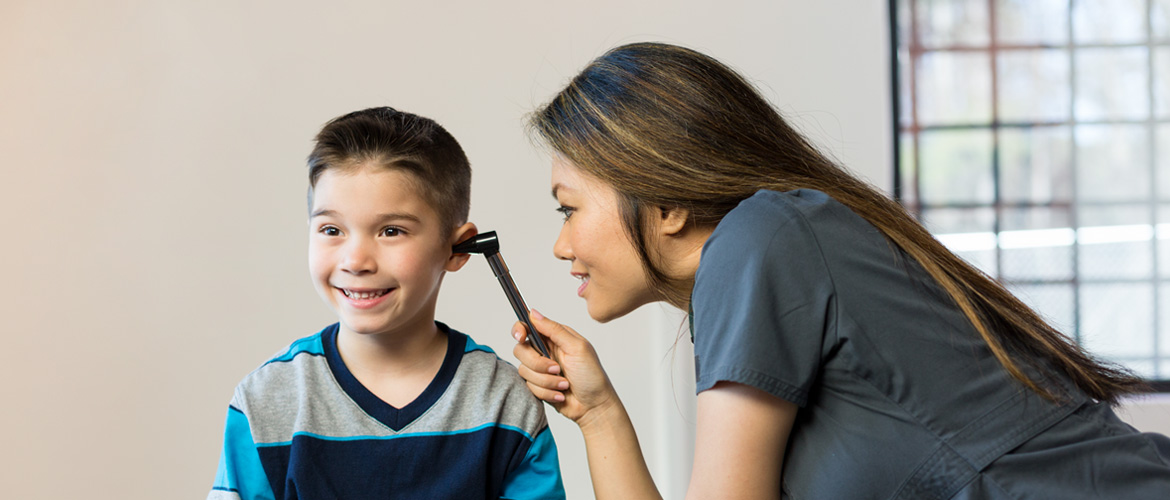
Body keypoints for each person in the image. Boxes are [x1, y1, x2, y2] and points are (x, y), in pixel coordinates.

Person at [511, 42, 1170, 499]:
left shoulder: (760, 237)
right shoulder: (768, 266)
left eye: (568, 209)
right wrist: (597, 412)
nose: (561, 246)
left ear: (667, 203)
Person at [209, 107, 565, 500]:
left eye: (391, 231)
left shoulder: (501, 403)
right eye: (331, 230)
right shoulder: (265, 402)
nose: (356, 261)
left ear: (457, 248)